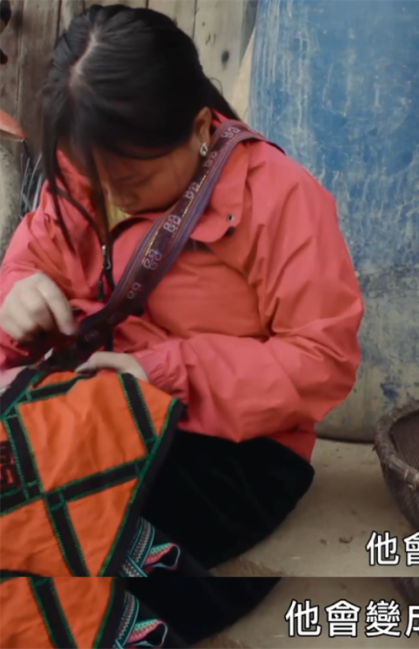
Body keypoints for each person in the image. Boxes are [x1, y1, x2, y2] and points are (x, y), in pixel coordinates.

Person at [0, 4, 362, 647]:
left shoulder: (280, 198)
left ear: (198, 128)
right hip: (85, 407)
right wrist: (17, 292)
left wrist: (162, 373)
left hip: (227, 444)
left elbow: (321, 360)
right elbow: (35, 257)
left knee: (61, 538)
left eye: (133, 180)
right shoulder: (83, 171)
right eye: (95, 179)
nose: (114, 196)